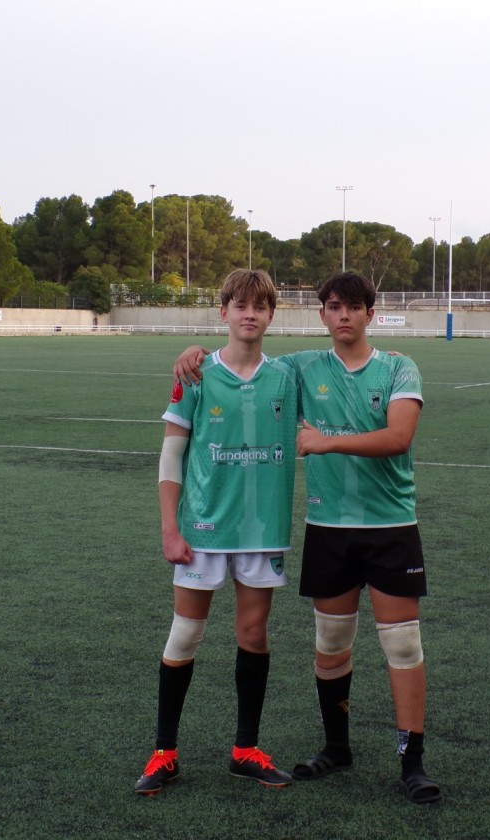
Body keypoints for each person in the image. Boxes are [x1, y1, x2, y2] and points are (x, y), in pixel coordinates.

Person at [174, 272, 440, 804]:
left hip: (390, 526)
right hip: (328, 529)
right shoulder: (301, 368)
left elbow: (399, 436)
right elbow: (245, 355)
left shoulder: (398, 367)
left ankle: (412, 763)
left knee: (402, 644)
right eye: (334, 307)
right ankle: (336, 748)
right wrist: (194, 352)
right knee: (331, 644)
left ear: (370, 314)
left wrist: (326, 443)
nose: (344, 316)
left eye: (354, 307)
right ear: (322, 315)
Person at [134, 269, 298, 796]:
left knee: (253, 635)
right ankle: (164, 753)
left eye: (260, 307)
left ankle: (245, 750)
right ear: (223, 312)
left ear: (271, 316)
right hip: (201, 529)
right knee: (185, 634)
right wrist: (169, 528)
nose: (250, 314)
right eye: (240, 305)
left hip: (262, 531)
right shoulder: (196, 373)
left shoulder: (287, 377)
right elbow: (171, 457)